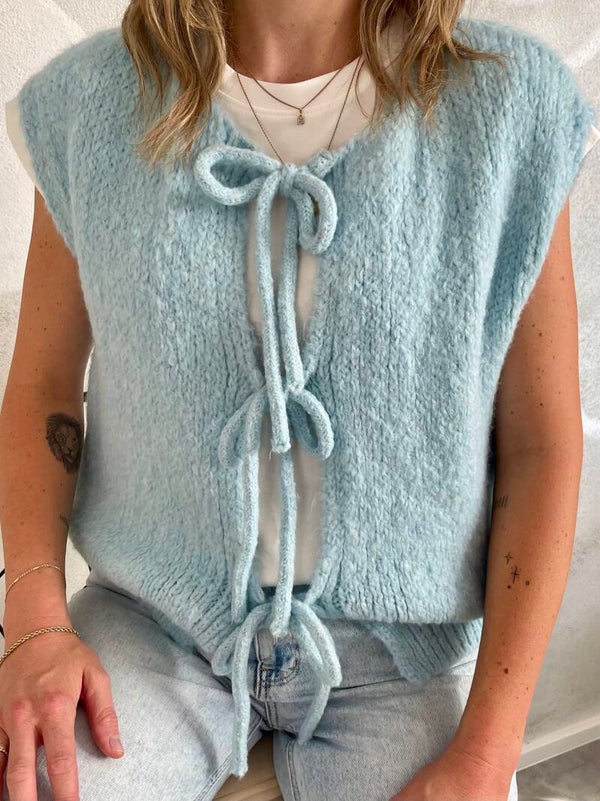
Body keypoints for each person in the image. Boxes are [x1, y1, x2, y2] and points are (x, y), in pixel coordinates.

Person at [0, 1, 597, 799]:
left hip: (406, 655)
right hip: (152, 623)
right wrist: (34, 621)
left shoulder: (512, 108)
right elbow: (42, 389)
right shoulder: (90, 106)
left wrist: (488, 753)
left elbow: (540, 444)